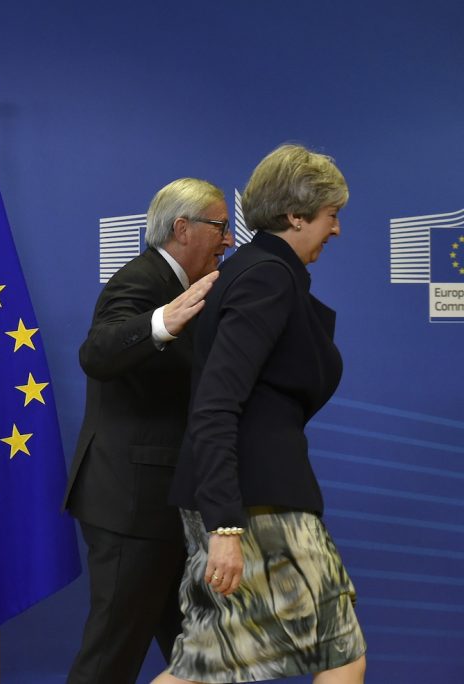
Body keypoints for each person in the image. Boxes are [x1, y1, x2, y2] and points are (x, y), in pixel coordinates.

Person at [155, 145, 367, 684]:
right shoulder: (267, 277)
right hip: (255, 506)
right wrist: (226, 525)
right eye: (331, 215)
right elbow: (216, 401)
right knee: (337, 654)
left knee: (207, 664)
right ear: (295, 215)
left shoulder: (262, 272)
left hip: (250, 500)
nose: (336, 229)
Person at [64, 178, 233, 684]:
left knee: (203, 657)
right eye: (220, 227)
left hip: (166, 506)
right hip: (131, 506)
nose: (229, 239)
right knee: (109, 661)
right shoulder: (141, 280)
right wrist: (163, 322)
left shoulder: (189, 285)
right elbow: (97, 352)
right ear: (182, 228)